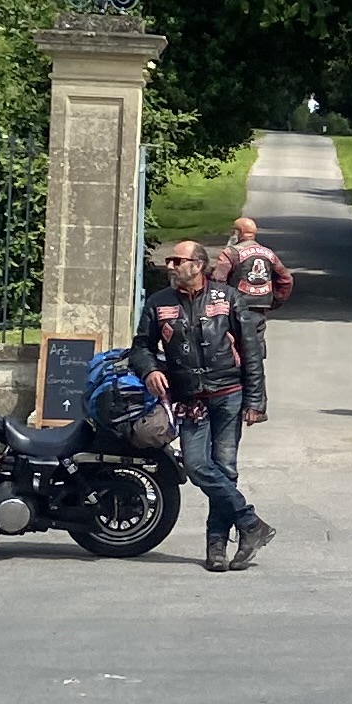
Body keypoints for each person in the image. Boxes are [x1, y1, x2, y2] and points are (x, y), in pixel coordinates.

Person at [134, 239, 274, 572]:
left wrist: (256, 399)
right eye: (169, 260)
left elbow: (251, 352)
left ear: (197, 265)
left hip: (228, 394)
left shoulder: (228, 298)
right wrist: (151, 369)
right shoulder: (159, 302)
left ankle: (216, 546)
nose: (170, 266)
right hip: (190, 400)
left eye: (176, 260)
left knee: (224, 469)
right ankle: (251, 523)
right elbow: (140, 347)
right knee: (197, 466)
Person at [219, 215, 294, 419]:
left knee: (228, 357)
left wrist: (219, 305)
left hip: (234, 312)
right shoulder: (268, 254)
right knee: (255, 357)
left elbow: (218, 280)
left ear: (238, 233)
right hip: (259, 312)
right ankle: (257, 407)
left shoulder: (230, 254)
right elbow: (286, 279)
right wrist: (274, 300)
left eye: (233, 230)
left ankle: (230, 403)